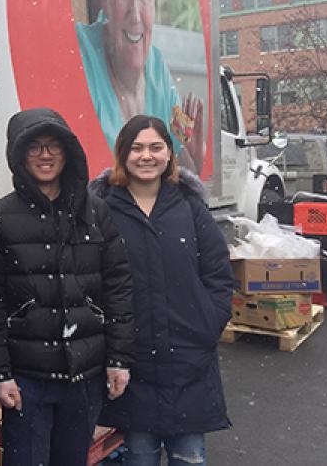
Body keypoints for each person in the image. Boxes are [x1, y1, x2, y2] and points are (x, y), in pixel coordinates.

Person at [0, 108, 134, 466]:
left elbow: (118, 288)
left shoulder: (95, 213)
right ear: (18, 156)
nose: (45, 155)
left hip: (85, 373)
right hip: (27, 379)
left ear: (68, 152)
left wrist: (118, 359)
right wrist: (0, 373)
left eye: (54, 146)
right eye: (34, 147)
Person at [89, 115, 233, 466]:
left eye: (156, 147)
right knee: (140, 455)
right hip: (132, 361)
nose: (146, 156)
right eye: (136, 148)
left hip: (188, 359)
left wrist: (207, 324)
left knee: (189, 456)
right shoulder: (102, 210)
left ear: (169, 154)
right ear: (122, 154)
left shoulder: (189, 207)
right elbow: (90, 279)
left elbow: (218, 274)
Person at [75, 0, 204, 174]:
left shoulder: (157, 67)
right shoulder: (80, 53)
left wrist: (193, 158)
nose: (135, 14)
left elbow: (184, 172)